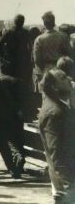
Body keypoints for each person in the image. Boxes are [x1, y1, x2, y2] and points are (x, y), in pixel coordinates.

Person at [38, 68, 75, 203]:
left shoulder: (59, 106)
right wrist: (68, 182)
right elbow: (56, 150)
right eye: (64, 78)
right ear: (54, 86)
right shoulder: (54, 113)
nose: (69, 79)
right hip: (68, 180)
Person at [33, 12, 72, 91]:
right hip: (61, 70)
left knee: (48, 96)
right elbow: (69, 53)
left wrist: (43, 69)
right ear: (54, 22)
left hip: (46, 70)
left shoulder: (39, 39)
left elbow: (37, 59)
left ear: (44, 23)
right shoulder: (63, 36)